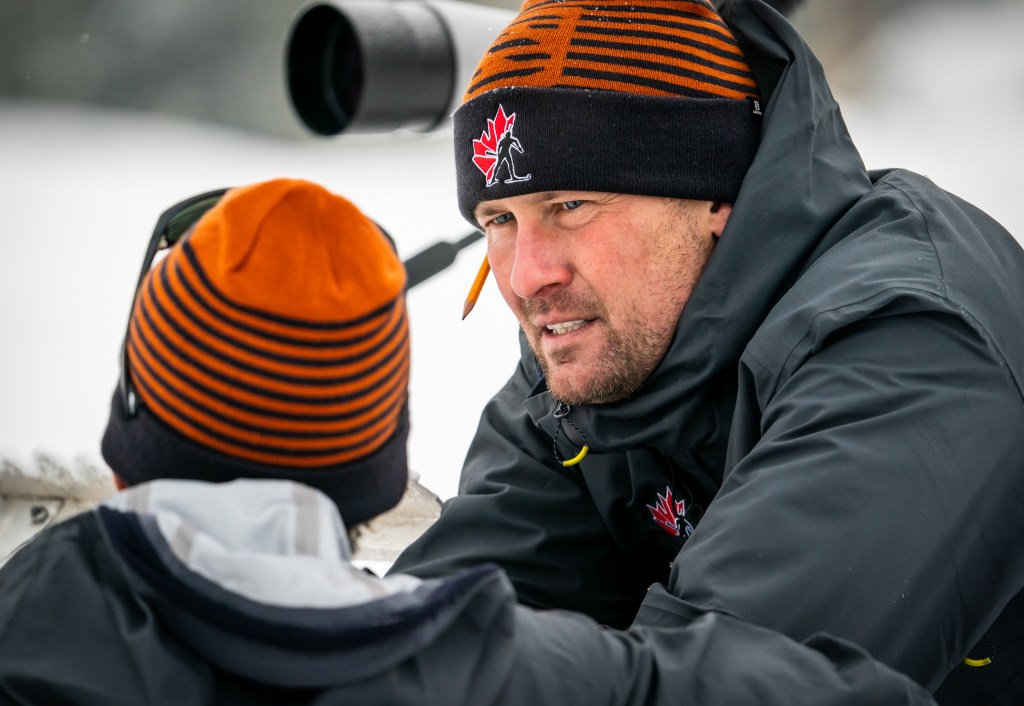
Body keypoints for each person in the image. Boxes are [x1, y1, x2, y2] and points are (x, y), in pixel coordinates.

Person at [0, 178, 934, 704]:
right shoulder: (522, 675)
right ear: (375, 470)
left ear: (128, 442)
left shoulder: (28, 623)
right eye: (501, 222)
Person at [389, 1, 1024, 704]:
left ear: (714, 194)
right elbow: (429, 644)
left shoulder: (911, 342)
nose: (526, 275)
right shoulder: (597, 351)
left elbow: (739, 687)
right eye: (501, 219)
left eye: (571, 205)